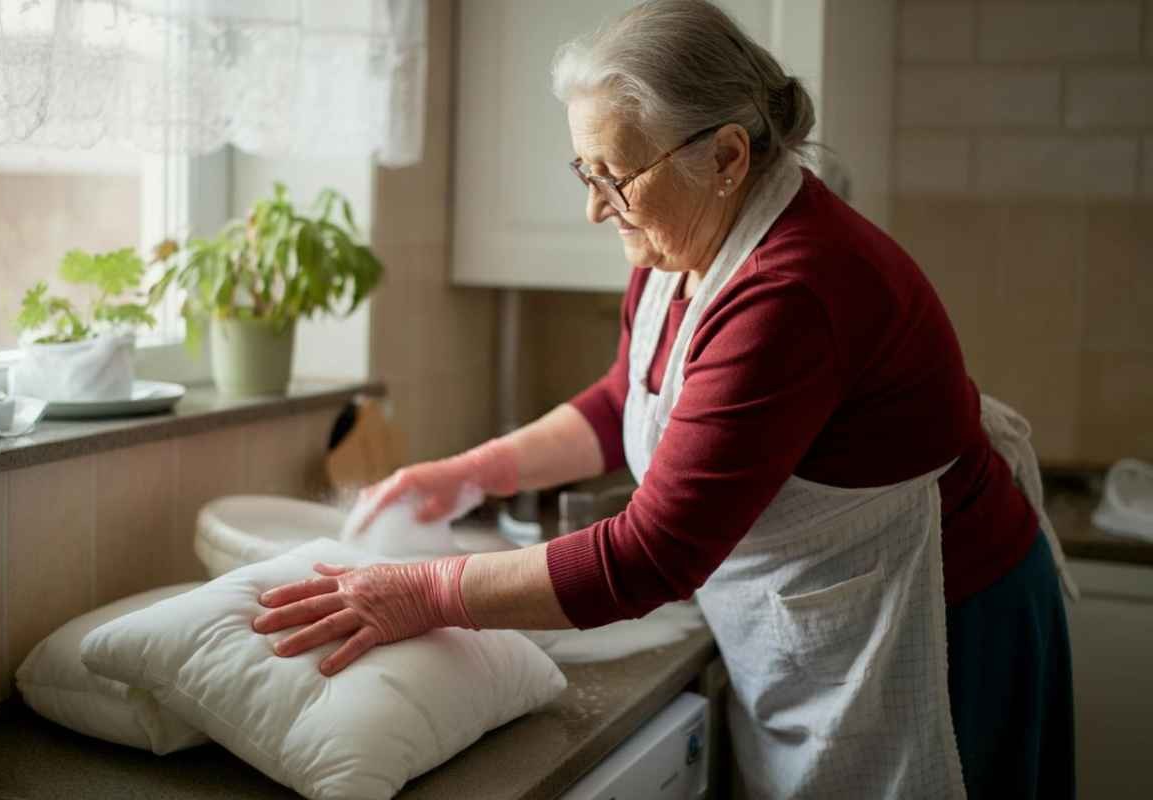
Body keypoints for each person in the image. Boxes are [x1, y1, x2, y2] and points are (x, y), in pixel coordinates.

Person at [252, 1, 1074, 796]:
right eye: (586, 170)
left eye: (615, 176)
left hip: (947, 626)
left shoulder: (791, 292)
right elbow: (626, 401)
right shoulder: (679, 238)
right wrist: (469, 473)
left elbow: (652, 556)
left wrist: (425, 592)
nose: (592, 205)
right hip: (839, 619)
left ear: (725, 158)